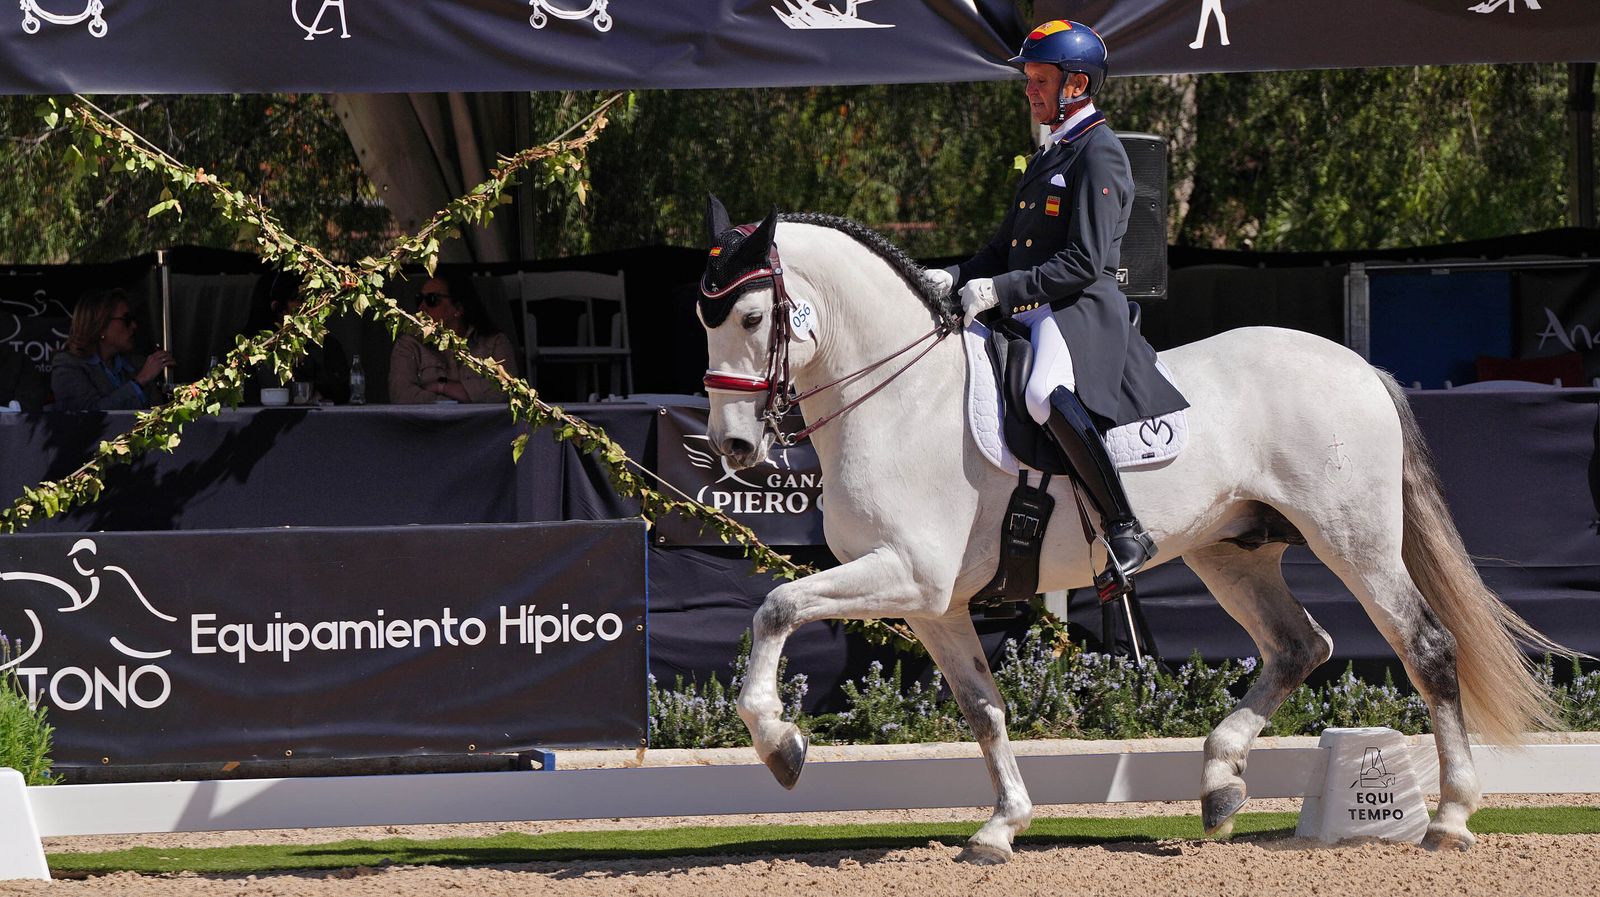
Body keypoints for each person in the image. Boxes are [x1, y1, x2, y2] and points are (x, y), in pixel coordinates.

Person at [925, 20, 1189, 600]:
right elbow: (1002, 248)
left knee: (1043, 393)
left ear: (1077, 84)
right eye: (1029, 79)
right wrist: (953, 275)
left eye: (1041, 79)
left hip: (1076, 309)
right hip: (1030, 304)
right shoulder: (1051, 152)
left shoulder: (1100, 152)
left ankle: (1124, 527)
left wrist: (1000, 291)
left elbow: (1085, 261)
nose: (1030, 90)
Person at [389, 275, 517, 404]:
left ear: (458, 308)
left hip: (480, 424)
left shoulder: (494, 343)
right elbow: (401, 396)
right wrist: (461, 400)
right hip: (429, 424)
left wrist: (441, 386)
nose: (422, 307)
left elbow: (507, 391)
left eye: (432, 299)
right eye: (419, 299)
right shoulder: (409, 345)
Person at [50, 289, 174, 411]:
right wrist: (139, 381)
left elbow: (159, 416)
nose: (134, 326)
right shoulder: (68, 365)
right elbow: (88, 416)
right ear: (100, 325)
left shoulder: (138, 364)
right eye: (126, 320)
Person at [242, 270, 349, 405]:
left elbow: (343, 393)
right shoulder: (254, 348)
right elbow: (245, 399)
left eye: (311, 300)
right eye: (299, 300)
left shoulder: (326, 343)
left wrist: (308, 364)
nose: (307, 307)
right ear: (277, 307)